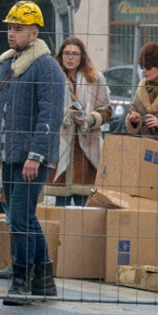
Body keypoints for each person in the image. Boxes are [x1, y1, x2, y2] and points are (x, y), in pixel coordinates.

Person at [0, 0, 65, 305]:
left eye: (18, 28)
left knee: (20, 217)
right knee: (21, 216)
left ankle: (22, 280)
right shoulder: (7, 64)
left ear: (34, 33)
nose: (11, 33)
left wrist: (36, 156)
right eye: (10, 28)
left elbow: (50, 115)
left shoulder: (46, 67)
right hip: (11, 153)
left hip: (32, 157)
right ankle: (44, 279)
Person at [46, 37, 112, 207]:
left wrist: (90, 119)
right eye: (66, 53)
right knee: (61, 201)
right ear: (60, 56)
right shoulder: (53, 78)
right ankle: (62, 233)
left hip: (87, 146)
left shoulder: (96, 78)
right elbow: (44, 107)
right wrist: (66, 114)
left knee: (84, 200)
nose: (70, 58)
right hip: (61, 142)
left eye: (75, 54)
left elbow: (107, 110)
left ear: (82, 56)